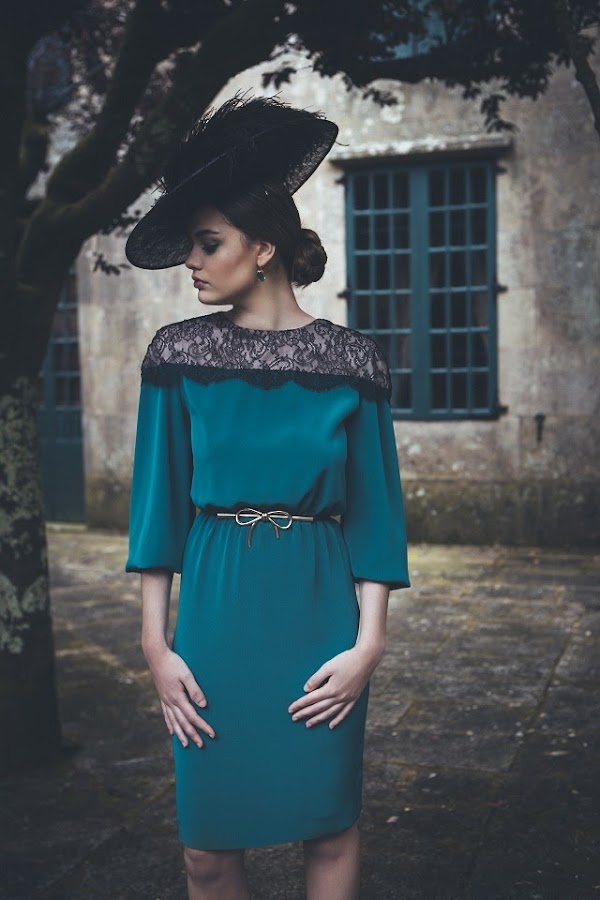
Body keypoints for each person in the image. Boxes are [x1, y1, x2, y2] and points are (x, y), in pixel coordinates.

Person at [124, 94, 410, 900]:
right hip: (214, 617)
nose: (192, 260)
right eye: (191, 245)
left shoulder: (354, 362)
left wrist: (369, 646)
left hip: (321, 620)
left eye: (208, 242)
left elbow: (376, 516)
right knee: (207, 854)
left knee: (330, 830)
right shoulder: (176, 355)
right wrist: (155, 646)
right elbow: (156, 510)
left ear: (263, 247)